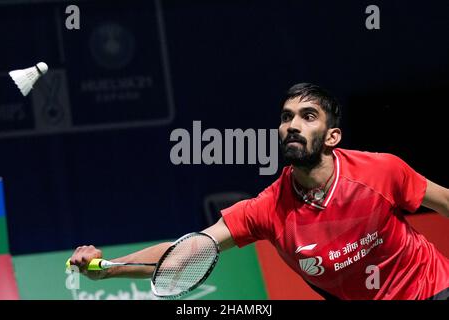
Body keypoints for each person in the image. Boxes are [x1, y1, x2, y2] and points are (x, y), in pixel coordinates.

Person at [69, 83, 449, 300]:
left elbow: (445, 201)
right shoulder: (268, 208)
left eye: (308, 116)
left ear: (333, 136)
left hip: (433, 289)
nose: (292, 125)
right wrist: (110, 269)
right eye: (286, 118)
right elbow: (188, 251)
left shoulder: (381, 171)